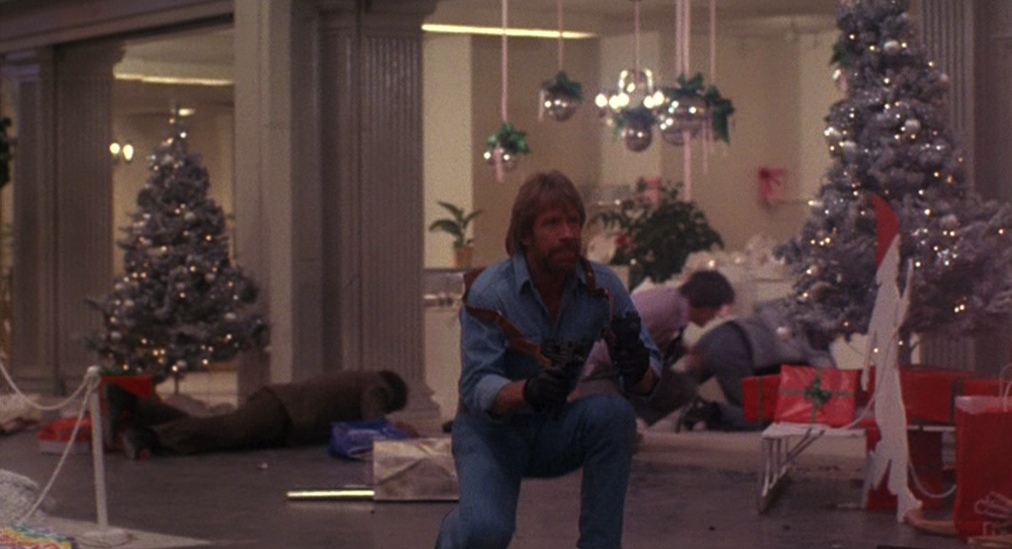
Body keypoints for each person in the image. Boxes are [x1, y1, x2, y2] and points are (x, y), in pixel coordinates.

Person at [434, 171, 662, 549]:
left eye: (574, 221)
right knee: (486, 532)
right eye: (552, 223)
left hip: (554, 428)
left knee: (615, 416)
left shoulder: (602, 287)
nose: (568, 234)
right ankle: (454, 536)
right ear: (526, 234)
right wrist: (529, 391)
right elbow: (476, 385)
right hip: (492, 434)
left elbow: (649, 376)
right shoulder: (491, 292)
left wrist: (637, 366)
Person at [106, 369, 409, 459]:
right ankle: (148, 436)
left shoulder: (364, 379)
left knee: (217, 430)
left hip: (284, 413)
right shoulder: (378, 384)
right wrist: (400, 433)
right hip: (283, 409)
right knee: (224, 431)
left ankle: (136, 406)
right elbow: (373, 421)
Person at [581, 270, 737, 426]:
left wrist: (686, 352)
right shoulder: (665, 311)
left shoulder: (673, 303)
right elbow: (609, 345)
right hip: (593, 371)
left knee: (676, 376)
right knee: (682, 388)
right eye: (716, 310)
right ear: (706, 307)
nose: (716, 316)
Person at [683, 299, 836, 431]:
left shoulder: (783, 312)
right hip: (737, 349)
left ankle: (682, 405)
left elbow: (762, 306)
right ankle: (708, 412)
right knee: (757, 417)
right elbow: (828, 374)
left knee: (682, 383)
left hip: (718, 334)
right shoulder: (811, 346)